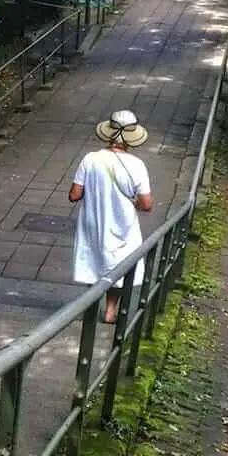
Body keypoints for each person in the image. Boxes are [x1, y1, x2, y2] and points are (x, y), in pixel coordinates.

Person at [69, 110, 153, 324]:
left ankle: (90, 306)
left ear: (109, 133)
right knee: (119, 265)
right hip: (123, 223)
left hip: (93, 221)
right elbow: (146, 204)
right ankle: (110, 310)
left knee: (93, 261)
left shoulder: (90, 159)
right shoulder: (137, 165)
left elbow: (74, 195)